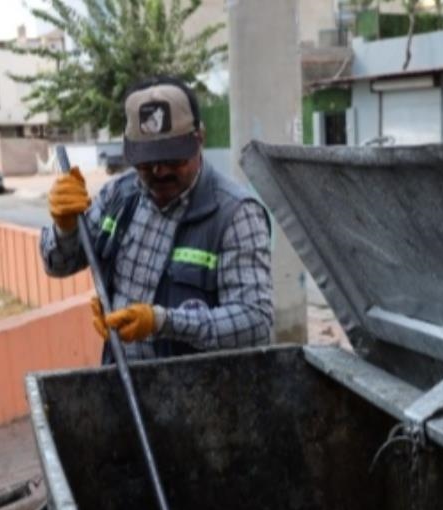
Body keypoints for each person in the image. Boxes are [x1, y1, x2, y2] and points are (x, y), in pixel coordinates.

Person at [40, 76, 274, 361]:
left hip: (198, 385)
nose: (160, 172)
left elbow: (255, 323)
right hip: (120, 376)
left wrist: (162, 322)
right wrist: (65, 229)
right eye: (147, 162)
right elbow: (59, 265)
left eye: (173, 159)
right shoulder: (118, 196)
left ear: (199, 138)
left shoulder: (235, 214)